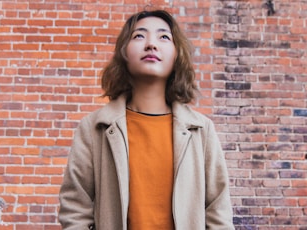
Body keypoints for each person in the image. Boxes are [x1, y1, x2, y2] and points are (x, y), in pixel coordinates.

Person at [58, 9, 234, 230]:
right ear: (123, 52)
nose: (151, 44)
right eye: (139, 36)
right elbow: (75, 206)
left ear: (176, 54)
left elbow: (218, 211)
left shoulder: (201, 130)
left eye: (163, 37)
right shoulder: (95, 128)